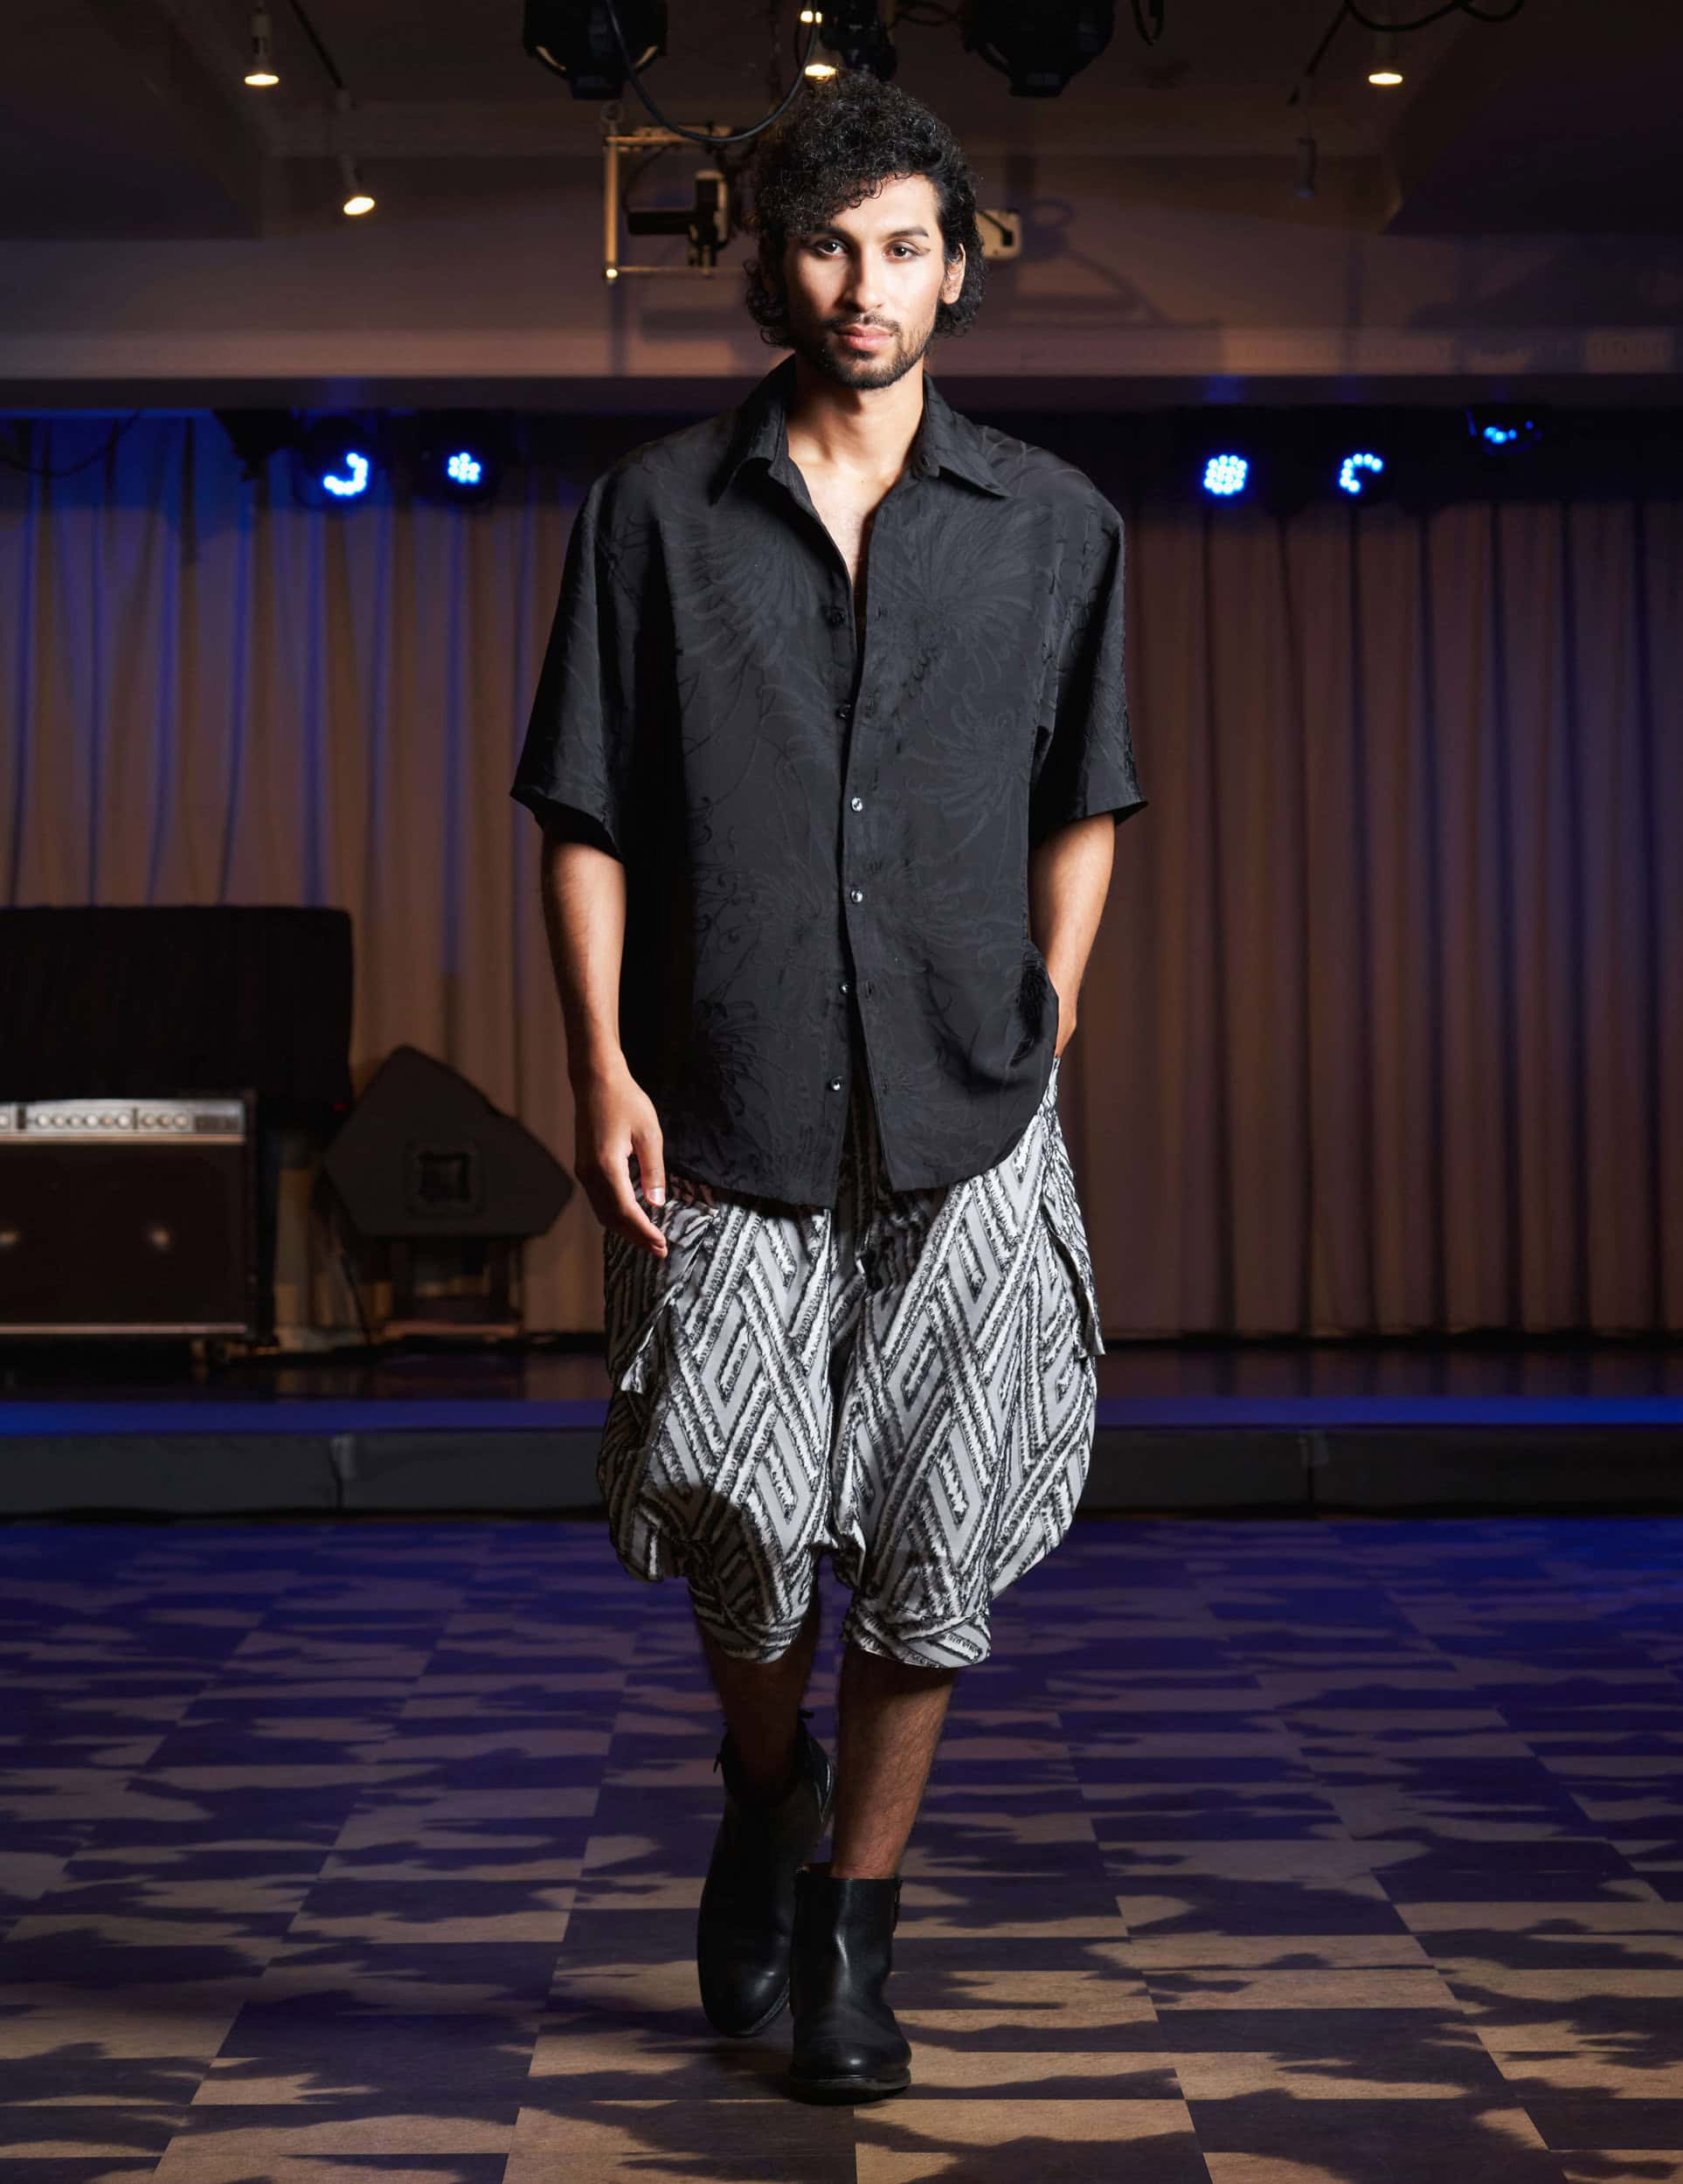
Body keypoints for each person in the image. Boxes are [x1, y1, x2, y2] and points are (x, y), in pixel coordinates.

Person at [511, 71, 1146, 2104]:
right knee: (738, 1512)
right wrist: (600, 1059)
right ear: (771, 266)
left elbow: (1086, 796)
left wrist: (1052, 1002)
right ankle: (759, 1778)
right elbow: (586, 813)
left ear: (957, 269)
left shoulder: (1059, 525)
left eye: (902, 246)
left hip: (971, 1111)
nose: (864, 284)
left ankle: (855, 1930)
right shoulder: (650, 515)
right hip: (726, 1094)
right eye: (825, 243)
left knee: (938, 1536)